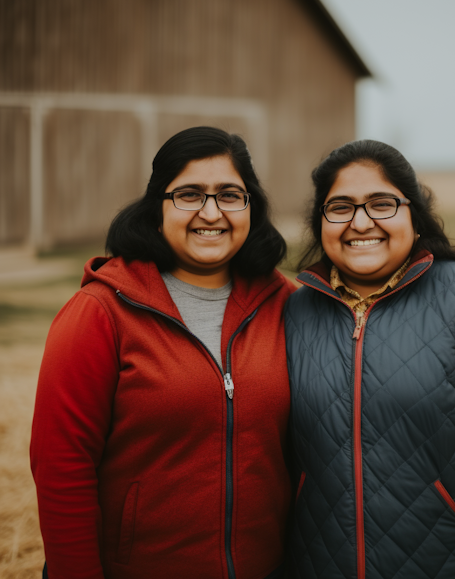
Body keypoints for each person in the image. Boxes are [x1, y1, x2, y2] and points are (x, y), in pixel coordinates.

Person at [284, 140, 455, 579]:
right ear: (321, 221)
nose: (360, 222)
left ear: (414, 217)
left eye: (381, 203)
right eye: (340, 207)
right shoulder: (294, 311)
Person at [30, 127, 296, 579]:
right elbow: (62, 468)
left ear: (250, 208)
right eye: (189, 194)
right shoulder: (101, 312)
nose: (211, 212)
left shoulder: (285, 303)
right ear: (157, 209)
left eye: (230, 195)